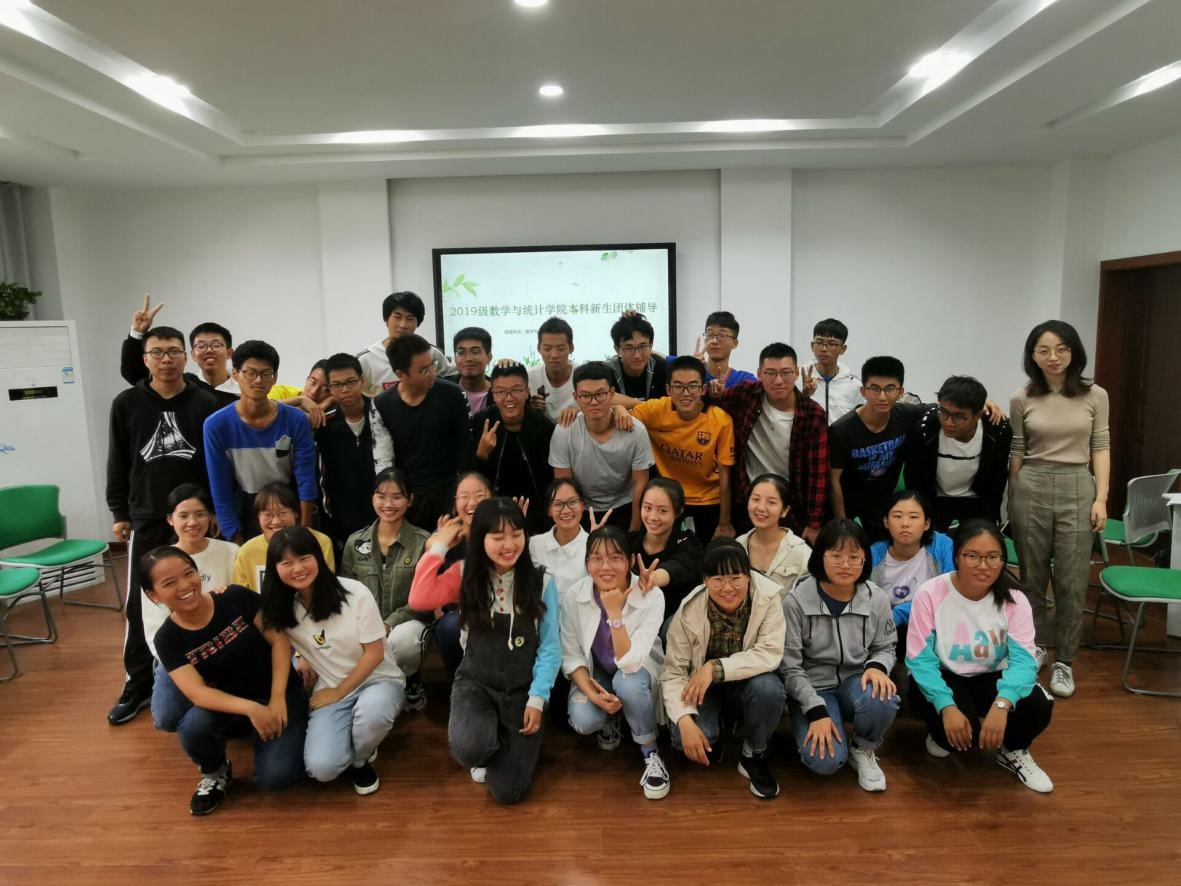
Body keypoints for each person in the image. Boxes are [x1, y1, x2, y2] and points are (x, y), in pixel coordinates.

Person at [105, 324, 222, 726]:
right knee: (141, 605)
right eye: (157, 352)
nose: (166, 359)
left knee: (203, 591)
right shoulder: (126, 403)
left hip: (196, 519)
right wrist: (119, 512)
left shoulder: (205, 402)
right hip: (148, 516)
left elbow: (214, 463)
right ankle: (138, 684)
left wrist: (213, 511)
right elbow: (118, 459)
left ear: (185, 357)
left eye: (173, 351)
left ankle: (205, 671)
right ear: (145, 359)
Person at [142, 546, 307, 816]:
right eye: (169, 583)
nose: (185, 586)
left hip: (281, 694)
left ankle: (281, 731)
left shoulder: (234, 597)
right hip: (234, 705)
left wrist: (277, 699)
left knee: (275, 779)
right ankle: (215, 772)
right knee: (193, 725)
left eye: (189, 573)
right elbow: (197, 693)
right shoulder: (167, 638)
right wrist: (251, 709)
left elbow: (278, 640)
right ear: (154, 595)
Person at [906, 520, 1055, 793]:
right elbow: (919, 660)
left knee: (1039, 705)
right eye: (972, 556)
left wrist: (1002, 704)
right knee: (958, 740)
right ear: (957, 557)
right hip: (946, 675)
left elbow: (1024, 661)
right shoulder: (930, 593)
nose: (983, 566)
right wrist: (946, 706)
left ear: (1002, 560)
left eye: (992, 557)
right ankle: (941, 731)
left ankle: (1013, 750)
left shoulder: (1014, 599)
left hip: (992, 676)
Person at [259, 526, 404, 796]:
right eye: (286, 563)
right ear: (274, 568)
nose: (297, 569)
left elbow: (374, 653)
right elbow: (257, 626)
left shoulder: (354, 592)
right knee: (322, 769)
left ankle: (360, 759)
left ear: (318, 557)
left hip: (377, 679)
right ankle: (355, 738)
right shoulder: (280, 606)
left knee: (374, 713)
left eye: (304, 558)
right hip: (329, 686)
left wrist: (339, 691)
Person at [1009, 320, 1110, 699]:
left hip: (1077, 485)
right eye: (1044, 350)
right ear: (1033, 356)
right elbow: (1017, 450)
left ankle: (1065, 661)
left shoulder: (1095, 395)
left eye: (1061, 349)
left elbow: (1101, 446)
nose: (1053, 357)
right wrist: (1012, 497)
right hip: (1031, 485)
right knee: (1031, 577)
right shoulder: (1022, 397)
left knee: (1071, 580)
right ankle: (1034, 646)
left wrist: (1101, 498)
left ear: (1074, 352)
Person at [447, 499, 561, 804]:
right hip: (476, 684)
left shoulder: (542, 581)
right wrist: (439, 545)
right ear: (480, 538)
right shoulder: (465, 575)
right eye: (498, 537)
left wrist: (537, 699)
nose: (509, 545)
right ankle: (486, 736)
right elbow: (419, 597)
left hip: (522, 691)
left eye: (516, 534)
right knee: (468, 750)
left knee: (508, 792)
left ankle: (512, 740)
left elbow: (551, 649)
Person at [662, 540, 787, 799]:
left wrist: (715, 667)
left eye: (736, 578)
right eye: (718, 579)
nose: (727, 588)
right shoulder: (688, 610)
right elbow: (674, 673)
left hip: (748, 683)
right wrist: (684, 720)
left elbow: (770, 653)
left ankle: (754, 752)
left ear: (748, 576)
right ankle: (716, 733)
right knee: (684, 738)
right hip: (703, 691)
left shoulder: (769, 597)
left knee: (769, 688)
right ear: (705, 580)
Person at [781, 519, 900, 792]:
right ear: (820, 556)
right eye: (836, 556)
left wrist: (877, 667)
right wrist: (816, 711)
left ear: (864, 560)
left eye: (854, 557)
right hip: (813, 688)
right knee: (825, 762)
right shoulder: (796, 601)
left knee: (883, 697)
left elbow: (886, 646)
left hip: (855, 682)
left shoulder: (876, 598)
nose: (845, 564)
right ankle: (814, 727)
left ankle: (863, 747)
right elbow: (790, 667)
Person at [561, 526, 669, 799]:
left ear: (630, 560)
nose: (605, 566)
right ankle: (612, 716)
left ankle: (650, 751)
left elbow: (630, 664)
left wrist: (614, 613)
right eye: (596, 558)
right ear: (587, 562)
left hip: (635, 672)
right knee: (584, 719)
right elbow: (572, 656)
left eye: (615, 558)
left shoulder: (652, 595)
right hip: (597, 672)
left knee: (627, 682)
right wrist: (593, 696)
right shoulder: (574, 596)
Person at [711, 342, 829, 543]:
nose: (778, 380)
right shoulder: (746, 394)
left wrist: (814, 523)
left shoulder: (813, 414)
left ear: (796, 373)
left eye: (786, 373)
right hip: (747, 498)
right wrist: (713, 394)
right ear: (759, 373)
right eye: (771, 373)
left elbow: (818, 473)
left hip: (790, 503)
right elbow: (710, 405)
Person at [202, 340, 318, 542]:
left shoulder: (296, 420)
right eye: (250, 373)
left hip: (290, 504)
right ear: (235, 374)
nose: (258, 380)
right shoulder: (216, 425)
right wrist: (234, 537)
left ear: (275, 378)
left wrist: (305, 529)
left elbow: (306, 478)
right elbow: (220, 488)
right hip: (247, 508)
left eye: (266, 373)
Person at [340, 468, 433, 712]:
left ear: (410, 500)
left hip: (406, 625)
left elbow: (424, 600)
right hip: (363, 626)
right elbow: (345, 594)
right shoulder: (355, 542)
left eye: (397, 497)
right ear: (372, 498)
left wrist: (389, 624)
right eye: (381, 496)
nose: (388, 504)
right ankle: (378, 690)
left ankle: (408, 681)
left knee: (403, 642)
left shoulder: (423, 542)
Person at [630, 355, 736, 543]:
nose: (686, 393)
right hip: (668, 496)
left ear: (703, 389)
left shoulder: (720, 420)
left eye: (693, 386)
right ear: (668, 389)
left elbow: (725, 476)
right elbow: (616, 409)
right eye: (678, 386)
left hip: (708, 499)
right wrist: (620, 411)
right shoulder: (656, 410)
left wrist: (724, 523)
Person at [371, 333, 473, 530]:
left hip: (449, 494)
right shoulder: (381, 404)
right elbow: (383, 461)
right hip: (409, 498)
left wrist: (461, 496)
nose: (432, 372)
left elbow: (465, 450)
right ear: (401, 374)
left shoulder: (453, 394)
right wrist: (393, 499)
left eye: (432, 365)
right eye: (423, 370)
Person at [143, 484, 240, 670]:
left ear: (210, 517)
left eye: (200, 514)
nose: (193, 522)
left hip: (229, 646)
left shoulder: (231, 551)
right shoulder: (156, 564)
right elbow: (154, 628)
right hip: (181, 654)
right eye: (183, 516)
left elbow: (241, 606)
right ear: (170, 519)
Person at [407, 472, 494, 677]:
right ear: (455, 503)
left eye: (479, 496)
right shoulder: (448, 535)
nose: (471, 502)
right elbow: (421, 595)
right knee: (451, 625)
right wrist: (441, 543)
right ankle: (459, 683)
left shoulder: (502, 531)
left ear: (492, 498)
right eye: (464, 496)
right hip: (457, 613)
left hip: (500, 609)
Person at [828, 356, 924, 544]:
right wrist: (842, 525)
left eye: (890, 389)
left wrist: (983, 405)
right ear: (863, 391)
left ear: (901, 392)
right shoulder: (841, 430)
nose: (882, 397)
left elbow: (942, 408)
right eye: (875, 389)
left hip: (882, 504)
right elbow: (834, 480)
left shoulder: (906, 414)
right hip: (847, 502)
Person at [549, 361, 653, 532]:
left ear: (612, 393)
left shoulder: (635, 430)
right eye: (585, 396)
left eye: (600, 394)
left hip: (625, 506)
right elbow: (564, 485)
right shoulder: (565, 430)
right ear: (576, 397)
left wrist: (634, 531)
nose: (594, 402)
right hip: (581, 508)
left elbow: (639, 485)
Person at [904, 375, 1013, 531]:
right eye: (944, 412)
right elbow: (914, 479)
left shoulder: (997, 430)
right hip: (934, 500)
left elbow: (997, 480)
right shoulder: (924, 429)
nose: (948, 422)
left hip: (977, 501)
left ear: (978, 415)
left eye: (959, 417)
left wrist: (990, 518)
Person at [470, 363, 555, 534]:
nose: (508, 398)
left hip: (538, 514)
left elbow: (550, 478)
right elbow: (469, 476)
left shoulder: (542, 426)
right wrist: (482, 453)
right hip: (493, 511)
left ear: (527, 392)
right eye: (500, 392)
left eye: (516, 390)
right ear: (493, 394)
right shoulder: (481, 422)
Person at [119, 297, 239, 405]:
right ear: (192, 355)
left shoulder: (244, 387)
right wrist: (137, 333)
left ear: (229, 353)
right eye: (201, 346)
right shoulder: (182, 383)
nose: (209, 350)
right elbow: (135, 375)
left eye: (216, 345)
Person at [316, 353, 378, 547]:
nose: (345, 390)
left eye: (350, 382)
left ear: (362, 380)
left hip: (384, 516)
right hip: (341, 525)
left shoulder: (381, 416)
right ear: (329, 389)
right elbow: (322, 479)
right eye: (337, 385)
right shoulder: (324, 425)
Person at [869, 490, 954, 629]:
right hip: (884, 628)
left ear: (926, 523)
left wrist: (899, 614)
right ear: (886, 522)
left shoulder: (942, 545)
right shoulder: (873, 554)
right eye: (897, 516)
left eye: (913, 517)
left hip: (934, 624)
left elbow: (950, 589)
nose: (905, 523)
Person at [232, 483, 335, 592]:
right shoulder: (246, 552)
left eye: (283, 513)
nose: (276, 521)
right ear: (258, 516)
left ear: (295, 513)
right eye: (268, 515)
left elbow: (327, 586)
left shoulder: (320, 541)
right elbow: (241, 597)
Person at [627, 478, 704, 622]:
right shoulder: (629, 542)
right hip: (634, 619)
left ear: (678, 511)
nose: (653, 517)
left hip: (674, 619)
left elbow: (678, 567)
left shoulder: (689, 544)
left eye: (662, 511)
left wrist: (653, 578)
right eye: (647, 508)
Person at [358, 291, 455, 396]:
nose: (403, 325)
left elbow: (451, 380)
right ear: (386, 319)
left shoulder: (431, 353)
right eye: (397, 317)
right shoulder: (367, 359)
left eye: (410, 319)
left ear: (417, 323)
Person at [736, 473, 811, 599]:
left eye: (771, 502)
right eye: (755, 499)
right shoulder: (738, 546)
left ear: (785, 510)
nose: (761, 507)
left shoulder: (801, 553)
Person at [528, 478, 591, 595]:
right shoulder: (533, 545)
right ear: (549, 510)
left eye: (573, 502)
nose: (566, 510)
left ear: (583, 505)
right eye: (558, 504)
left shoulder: (593, 546)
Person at [800, 318, 862, 425]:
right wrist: (804, 396)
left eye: (832, 344)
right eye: (819, 342)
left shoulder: (854, 385)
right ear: (812, 346)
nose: (824, 349)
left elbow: (861, 420)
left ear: (843, 349)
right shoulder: (797, 379)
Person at [605, 311, 667, 407]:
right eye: (629, 348)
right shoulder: (607, 370)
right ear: (617, 349)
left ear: (651, 345)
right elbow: (602, 397)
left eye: (643, 346)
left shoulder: (661, 366)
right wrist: (643, 406)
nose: (637, 355)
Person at [528, 316, 577, 421]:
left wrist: (579, 409)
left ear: (571, 348)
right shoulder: (529, 377)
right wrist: (529, 407)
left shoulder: (583, 377)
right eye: (547, 349)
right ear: (538, 348)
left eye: (560, 349)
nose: (554, 355)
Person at [693, 311, 757, 389]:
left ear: (735, 343)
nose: (714, 341)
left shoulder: (744, 380)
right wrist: (691, 369)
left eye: (722, 335)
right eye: (709, 335)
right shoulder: (694, 376)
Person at [453, 326, 494, 415]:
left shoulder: (499, 392)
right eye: (461, 353)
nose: (468, 358)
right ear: (455, 358)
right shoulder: (443, 390)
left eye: (475, 352)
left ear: (489, 357)